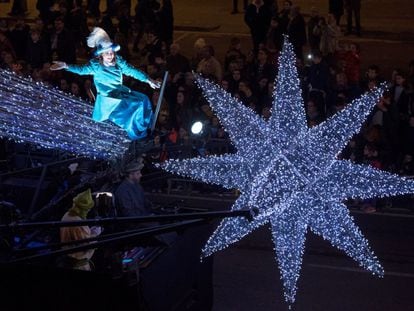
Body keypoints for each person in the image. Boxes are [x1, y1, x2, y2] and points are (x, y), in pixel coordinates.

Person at [50, 27, 160, 140]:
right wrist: (66, 66)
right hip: (108, 100)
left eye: (111, 52)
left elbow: (132, 71)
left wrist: (148, 80)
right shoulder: (96, 66)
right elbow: (81, 70)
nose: (110, 55)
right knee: (131, 112)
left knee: (143, 100)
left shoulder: (119, 62)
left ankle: (146, 128)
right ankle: (137, 136)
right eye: (107, 53)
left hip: (120, 94)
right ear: (101, 55)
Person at [59, 188, 102, 271]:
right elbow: (86, 244)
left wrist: (90, 231)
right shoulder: (78, 222)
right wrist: (96, 233)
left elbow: (79, 237)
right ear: (84, 208)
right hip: (79, 265)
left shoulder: (67, 215)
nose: (89, 211)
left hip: (68, 260)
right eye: (88, 209)